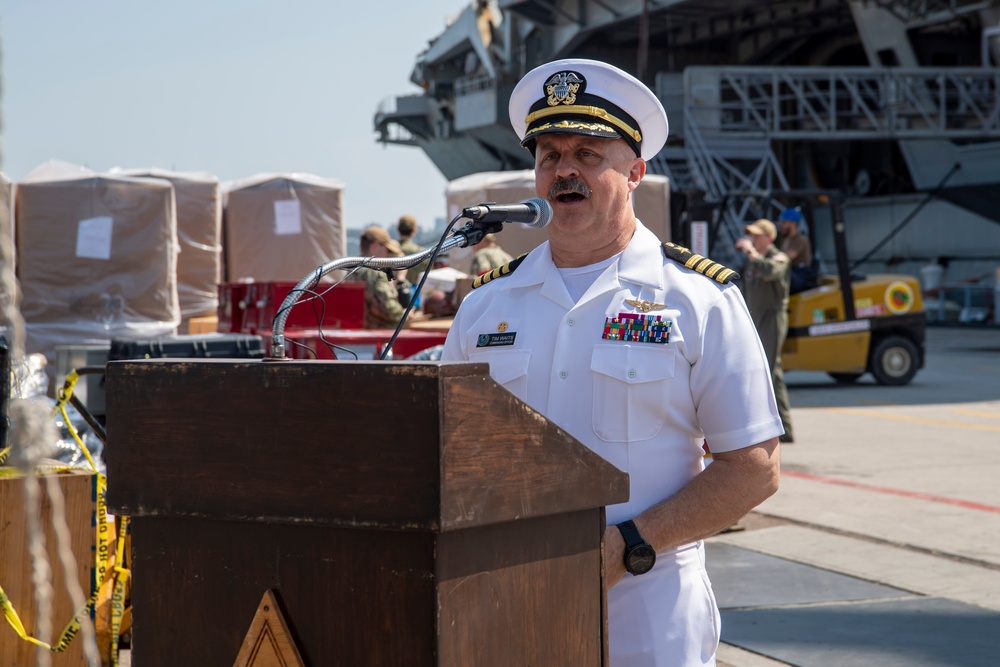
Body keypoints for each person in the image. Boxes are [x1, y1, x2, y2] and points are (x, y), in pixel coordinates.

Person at [441, 58, 781, 666]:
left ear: (635, 172)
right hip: (508, 602)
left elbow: (753, 468)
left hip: (649, 614)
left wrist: (626, 549)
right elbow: (449, 453)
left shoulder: (699, 299)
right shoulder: (485, 305)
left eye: (589, 154)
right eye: (549, 155)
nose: (565, 169)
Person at [736, 219, 794, 444]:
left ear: (770, 238)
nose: (754, 240)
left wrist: (750, 252)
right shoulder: (753, 260)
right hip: (756, 318)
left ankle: (770, 428)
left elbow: (771, 272)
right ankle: (784, 428)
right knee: (772, 371)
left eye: (758, 236)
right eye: (752, 236)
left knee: (766, 370)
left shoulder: (777, 258)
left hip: (772, 317)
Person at [357, 226, 421, 330]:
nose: (387, 255)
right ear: (375, 246)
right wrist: (404, 314)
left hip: (359, 334)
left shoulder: (349, 269)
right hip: (380, 336)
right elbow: (389, 309)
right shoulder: (374, 274)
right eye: (387, 250)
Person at [777, 207, 816, 293]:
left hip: (800, 276)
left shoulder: (800, 239)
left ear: (793, 223)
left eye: (784, 222)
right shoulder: (786, 240)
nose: (781, 225)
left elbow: (787, 257)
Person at [397, 215, 429, 285]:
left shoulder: (391, 250)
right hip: (416, 292)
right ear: (414, 230)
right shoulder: (423, 253)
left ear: (398, 228)